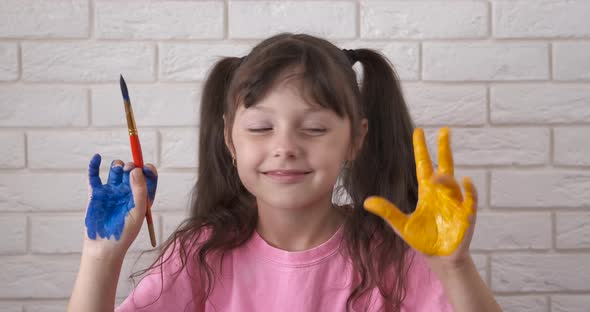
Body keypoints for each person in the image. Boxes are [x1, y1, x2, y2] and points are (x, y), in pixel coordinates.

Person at [68, 33, 501, 312]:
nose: (285, 147)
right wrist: (101, 257)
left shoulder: (393, 255)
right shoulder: (198, 256)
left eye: (314, 128)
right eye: (260, 128)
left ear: (356, 139)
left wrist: (454, 267)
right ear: (228, 138)